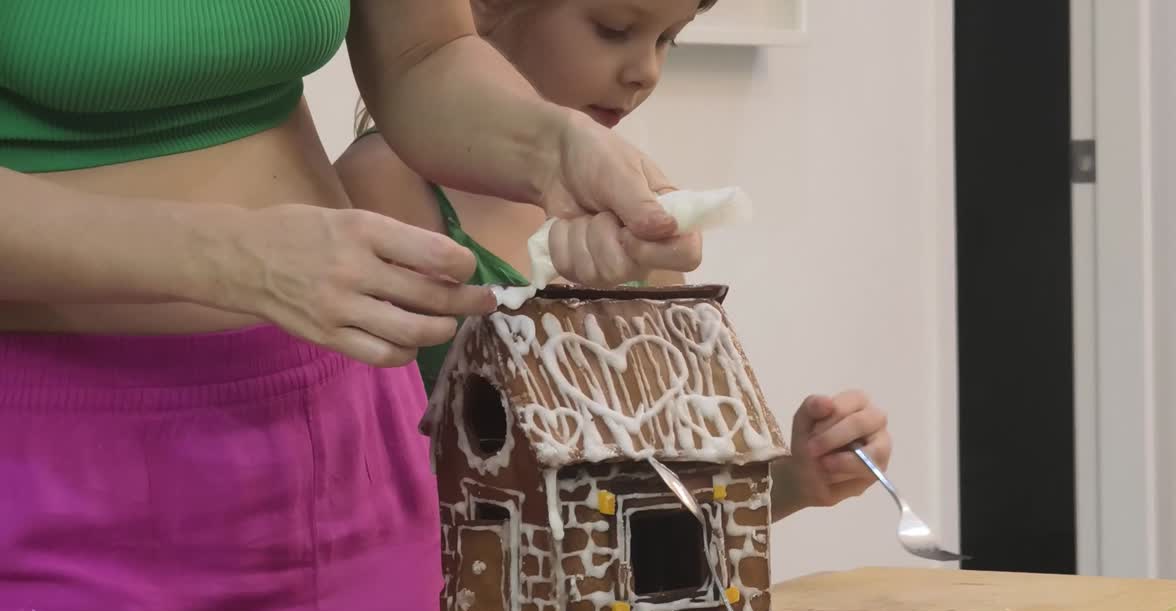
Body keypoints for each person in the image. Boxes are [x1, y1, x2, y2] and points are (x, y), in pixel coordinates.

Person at [0, 2, 708, 611]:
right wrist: (232, 257)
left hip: (346, 436)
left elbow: (422, 57)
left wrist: (557, 149)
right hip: (67, 481)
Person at [335, 0, 894, 523]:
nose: (645, 71)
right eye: (614, 29)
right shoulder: (385, 186)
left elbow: (679, 490)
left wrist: (796, 479)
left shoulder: (636, 215)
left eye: (667, 40)